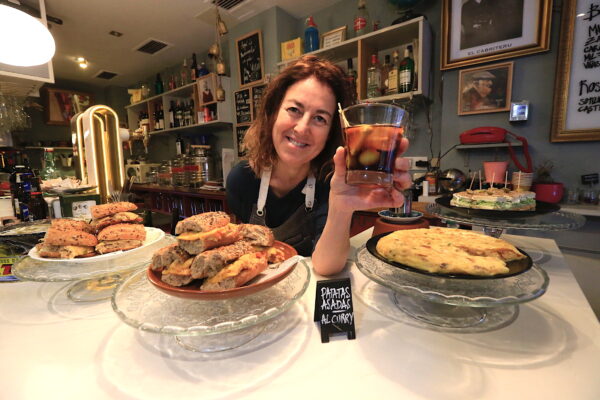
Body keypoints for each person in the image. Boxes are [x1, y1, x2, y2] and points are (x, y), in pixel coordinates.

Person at [226, 55, 411, 276]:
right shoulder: (241, 180)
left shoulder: (331, 182)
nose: (302, 128)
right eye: (294, 109)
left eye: (320, 118)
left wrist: (341, 209)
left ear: (331, 133)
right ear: (273, 113)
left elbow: (326, 267)